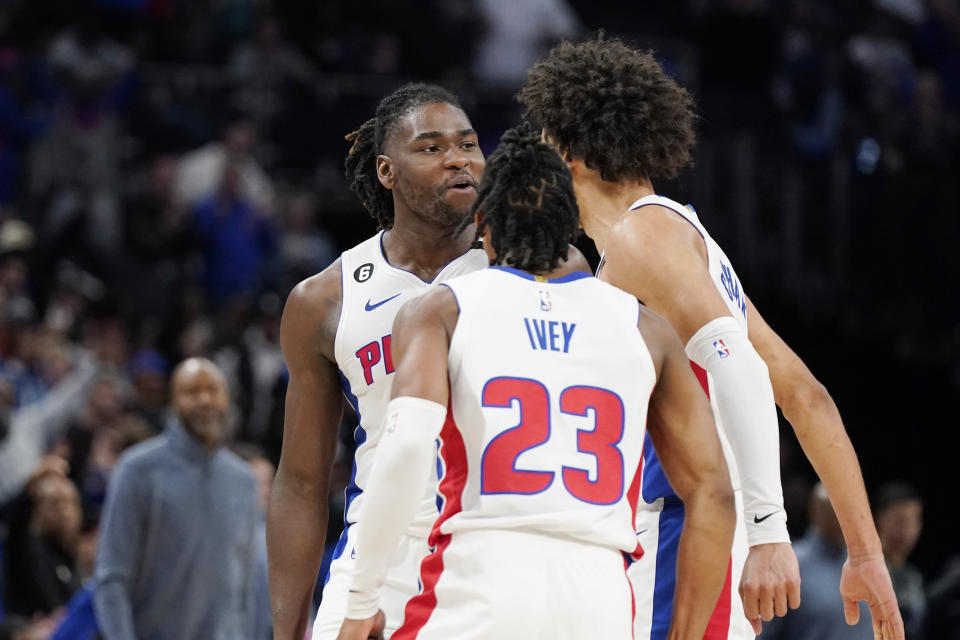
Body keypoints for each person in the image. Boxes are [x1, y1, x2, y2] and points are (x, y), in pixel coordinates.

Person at [518, 36, 903, 640]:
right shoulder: (679, 236)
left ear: (568, 152)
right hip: (667, 539)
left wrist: (770, 532)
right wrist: (866, 553)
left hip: (686, 536)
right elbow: (806, 396)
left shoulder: (641, 238)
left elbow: (740, 368)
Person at [337, 124, 735, 640]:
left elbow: (408, 446)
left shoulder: (442, 308)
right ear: (570, 226)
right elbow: (716, 493)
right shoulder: (646, 329)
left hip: (480, 580)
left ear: (483, 225)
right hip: (600, 596)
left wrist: (364, 599)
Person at [266, 83, 491, 640]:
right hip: (381, 554)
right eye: (432, 148)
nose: (458, 159)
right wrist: (286, 628)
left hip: (496, 544)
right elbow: (300, 483)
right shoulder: (324, 299)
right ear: (387, 172)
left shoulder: (531, 265)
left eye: (468, 144)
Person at [93, 357, 260, 640]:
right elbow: (112, 578)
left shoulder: (243, 479)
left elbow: (245, 587)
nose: (205, 400)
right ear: (173, 401)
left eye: (213, 390)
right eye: (192, 391)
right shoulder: (137, 470)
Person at [761, 483, 875, 639]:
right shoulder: (789, 565)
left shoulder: (869, 562)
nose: (845, 519)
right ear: (816, 513)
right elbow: (766, 634)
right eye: (835, 511)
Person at [873, 482, 925, 639]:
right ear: (880, 519)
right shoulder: (865, 572)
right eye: (900, 521)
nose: (908, 530)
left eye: (914, 521)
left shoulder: (914, 577)